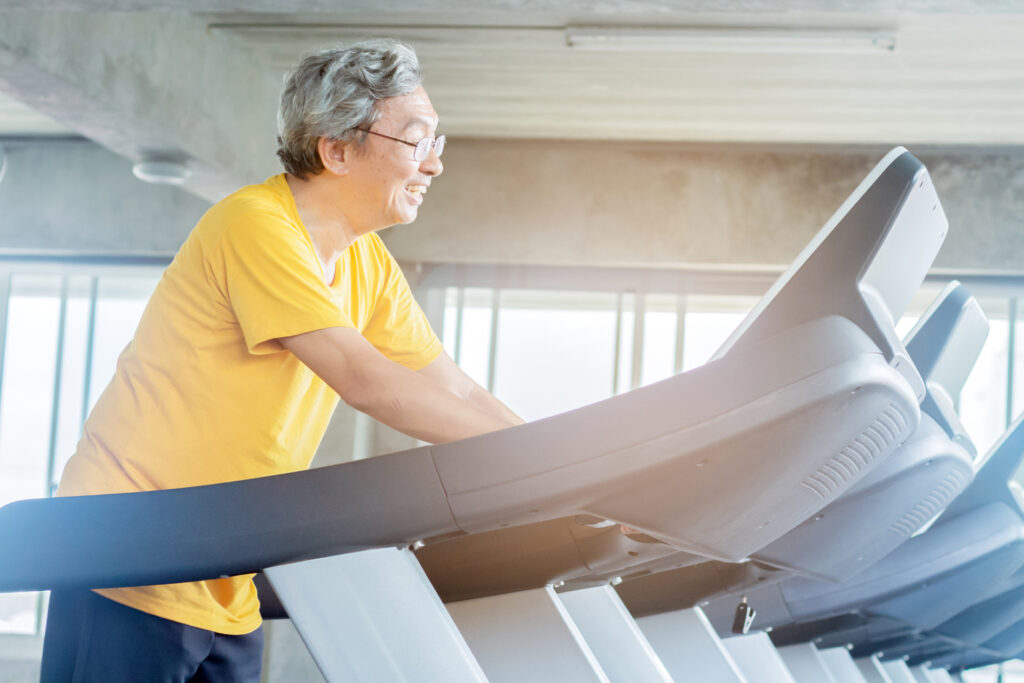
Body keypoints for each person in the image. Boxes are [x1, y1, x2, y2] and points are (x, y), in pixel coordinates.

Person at [39, 39, 522, 681]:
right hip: (124, 557)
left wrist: (559, 458)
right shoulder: (255, 224)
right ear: (337, 149)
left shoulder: (366, 263)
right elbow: (368, 381)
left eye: (437, 143)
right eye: (417, 140)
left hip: (223, 574)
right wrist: (536, 464)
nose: (432, 165)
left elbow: (454, 390)